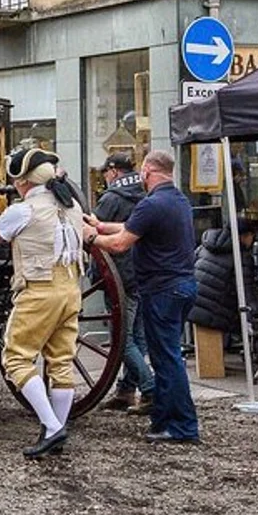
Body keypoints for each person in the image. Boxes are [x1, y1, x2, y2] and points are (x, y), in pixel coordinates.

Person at [0, 147, 85, 459]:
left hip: (39, 291)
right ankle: (55, 430)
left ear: (24, 181)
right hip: (71, 289)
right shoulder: (72, 206)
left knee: (16, 359)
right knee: (61, 362)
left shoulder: (23, 210)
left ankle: (52, 427)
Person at [84, 149, 200, 444]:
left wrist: (92, 237)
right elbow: (131, 227)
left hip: (163, 289)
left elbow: (120, 244)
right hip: (182, 286)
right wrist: (100, 225)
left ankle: (182, 427)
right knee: (167, 356)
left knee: (168, 360)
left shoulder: (152, 204)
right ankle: (164, 420)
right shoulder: (178, 200)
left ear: (148, 171)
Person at [93, 152, 154, 414]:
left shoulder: (111, 199)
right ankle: (126, 390)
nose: (105, 178)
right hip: (141, 272)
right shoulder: (146, 195)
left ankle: (150, 389)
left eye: (106, 173)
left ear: (114, 171)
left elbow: (93, 231)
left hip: (118, 276)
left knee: (122, 340)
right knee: (137, 337)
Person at [189, 220, 258, 337]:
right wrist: (257, 314)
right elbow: (246, 291)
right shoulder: (241, 256)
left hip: (192, 308)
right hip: (215, 316)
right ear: (246, 236)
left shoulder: (203, 247)